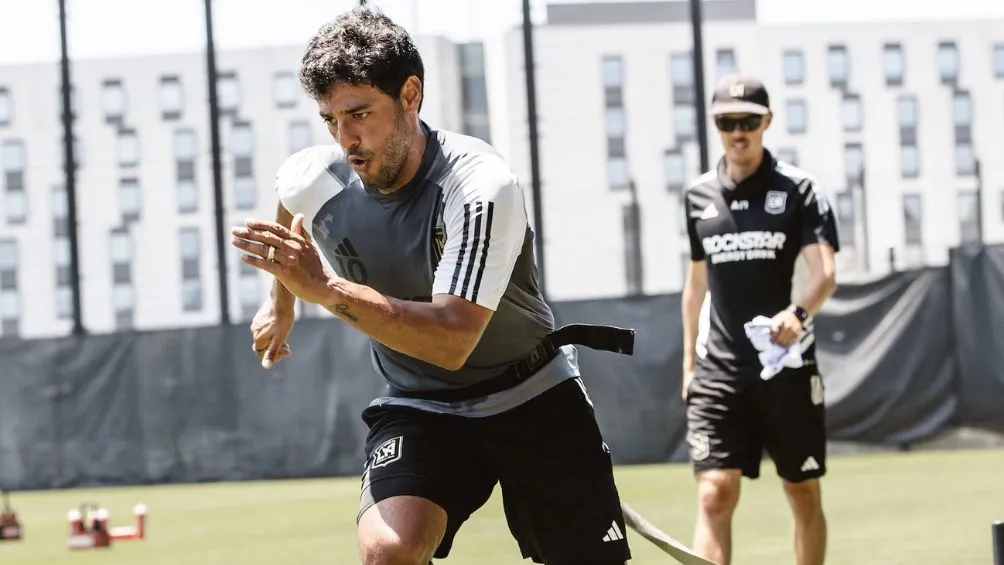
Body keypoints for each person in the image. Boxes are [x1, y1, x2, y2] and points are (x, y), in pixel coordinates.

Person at [230, 7, 634, 565]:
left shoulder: (480, 187)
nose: (346, 139)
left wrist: (323, 290)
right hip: (420, 406)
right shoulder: (319, 178)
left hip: (532, 395)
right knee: (388, 551)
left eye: (360, 114)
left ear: (411, 95)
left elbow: (451, 341)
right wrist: (281, 306)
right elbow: (290, 205)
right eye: (330, 120)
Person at [680, 73, 840, 565]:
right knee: (714, 492)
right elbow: (695, 285)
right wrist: (688, 364)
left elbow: (826, 272)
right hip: (719, 371)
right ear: (715, 125)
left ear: (767, 121)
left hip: (786, 370)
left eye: (748, 121)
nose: (738, 132)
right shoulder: (698, 197)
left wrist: (797, 314)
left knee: (802, 491)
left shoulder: (799, 190)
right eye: (728, 122)